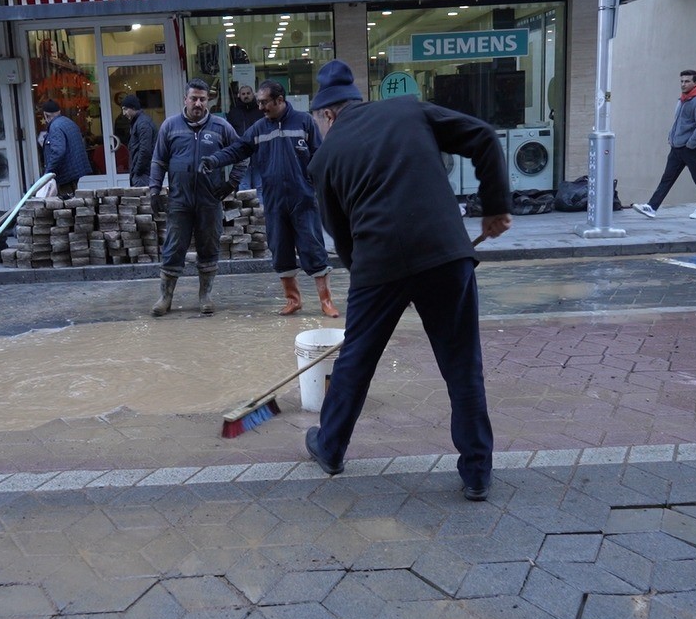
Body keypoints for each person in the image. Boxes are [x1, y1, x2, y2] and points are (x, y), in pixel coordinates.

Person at [303, 60, 512, 502]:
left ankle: (331, 447)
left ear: (327, 115)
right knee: (462, 365)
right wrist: (494, 206)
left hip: (378, 264)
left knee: (355, 362)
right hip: (446, 254)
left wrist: (368, 287)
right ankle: (476, 472)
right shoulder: (407, 110)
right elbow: (484, 137)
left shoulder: (324, 159)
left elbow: (341, 238)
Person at [201, 80, 339, 318]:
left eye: (265, 102)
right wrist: (215, 160)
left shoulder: (304, 122)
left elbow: (319, 155)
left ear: (280, 100)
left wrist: (315, 186)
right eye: (259, 102)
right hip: (274, 200)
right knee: (280, 249)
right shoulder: (259, 128)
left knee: (313, 248)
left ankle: (326, 301)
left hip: (303, 199)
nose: (261, 107)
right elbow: (238, 149)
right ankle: (293, 300)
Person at [147, 79, 245, 316]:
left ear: (208, 100)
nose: (198, 103)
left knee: (209, 246)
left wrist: (232, 182)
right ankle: (165, 297)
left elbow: (242, 153)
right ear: (185, 99)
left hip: (209, 200)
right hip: (179, 200)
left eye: (202, 99)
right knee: (173, 247)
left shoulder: (221, 127)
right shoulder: (170, 127)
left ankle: (205, 295)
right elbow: (158, 161)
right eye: (194, 98)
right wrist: (154, 189)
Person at [632, 69, 696, 220]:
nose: (683, 84)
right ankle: (652, 206)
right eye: (681, 81)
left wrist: (691, 144)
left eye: (687, 81)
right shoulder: (682, 100)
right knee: (667, 178)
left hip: (692, 149)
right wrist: (672, 137)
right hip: (677, 147)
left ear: (695, 82)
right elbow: (679, 123)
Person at [40, 99, 92, 196]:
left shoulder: (55, 127)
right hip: (73, 172)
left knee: (66, 205)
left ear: (46, 115)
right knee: (73, 199)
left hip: (64, 175)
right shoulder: (68, 122)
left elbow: (58, 151)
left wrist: (48, 173)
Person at [228, 85, 263, 191]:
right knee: (244, 186)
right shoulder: (233, 112)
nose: (246, 96)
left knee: (260, 185)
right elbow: (229, 133)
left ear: (253, 94)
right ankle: (246, 208)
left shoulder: (260, 111)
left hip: (258, 151)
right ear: (239, 96)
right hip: (241, 152)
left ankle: (261, 207)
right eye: (243, 94)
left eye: (248, 93)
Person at [121, 94, 156, 187]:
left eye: (125, 109)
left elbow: (145, 150)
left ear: (133, 107)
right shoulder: (138, 122)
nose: (123, 113)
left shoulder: (143, 123)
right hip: (142, 173)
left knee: (143, 200)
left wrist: (137, 170)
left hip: (143, 175)